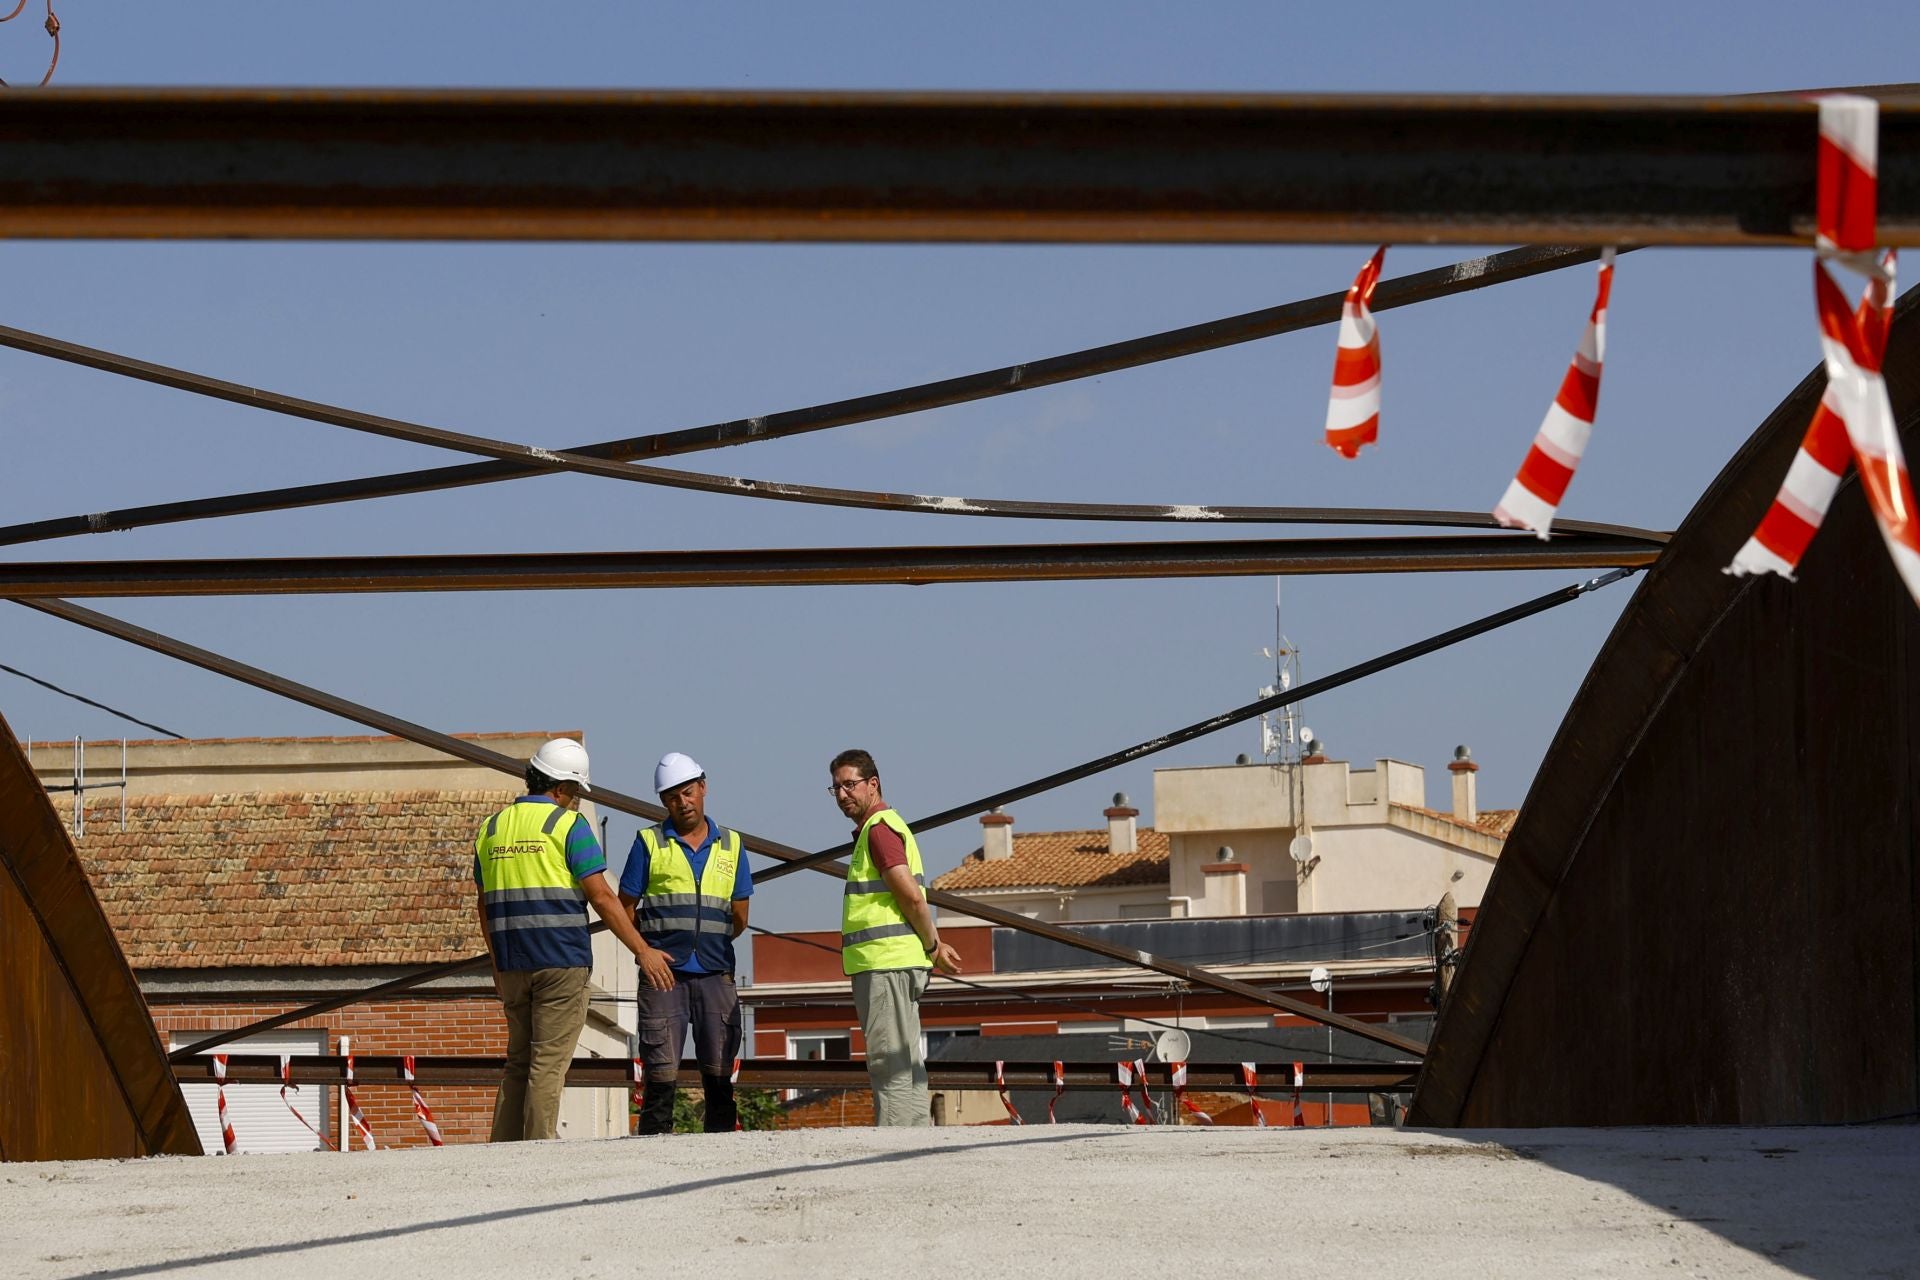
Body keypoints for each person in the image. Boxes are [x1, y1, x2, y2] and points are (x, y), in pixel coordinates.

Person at [474, 736, 653, 1142]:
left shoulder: (491, 828)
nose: (575, 800)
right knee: (547, 1063)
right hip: (560, 962)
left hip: (513, 964)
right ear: (561, 788)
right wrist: (642, 951)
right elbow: (603, 896)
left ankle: (502, 1148)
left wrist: (497, 964)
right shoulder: (568, 825)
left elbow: (484, 905)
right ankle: (537, 1149)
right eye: (575, 792)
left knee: (518, 1061)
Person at [618, 752, 753, 1134]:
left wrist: (711, 943)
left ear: (703, 787)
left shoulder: (733, 844)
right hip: (664, 975)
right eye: (673, 795)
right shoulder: (649, 843)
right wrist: (645, 950)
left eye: (689, 792)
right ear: (664, 801)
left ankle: (722, 1153)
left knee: (719, 1069)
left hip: (715, 972)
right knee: (660, 1070)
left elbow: (740, 915)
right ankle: (654, 1151)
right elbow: (625, 906)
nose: (683, 801)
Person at [828, 748, 961, 1127]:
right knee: (905, 1062)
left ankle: (895, 1149)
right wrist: (932, 943)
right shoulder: (884, 828)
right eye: (835, 788)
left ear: (873, 784)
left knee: (890, 1064)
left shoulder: (880, 831)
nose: (842, 795)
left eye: (849, 785)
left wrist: (934, 945)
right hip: (895, 962)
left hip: (886, 965)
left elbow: (910, 895)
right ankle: (915, 1144)